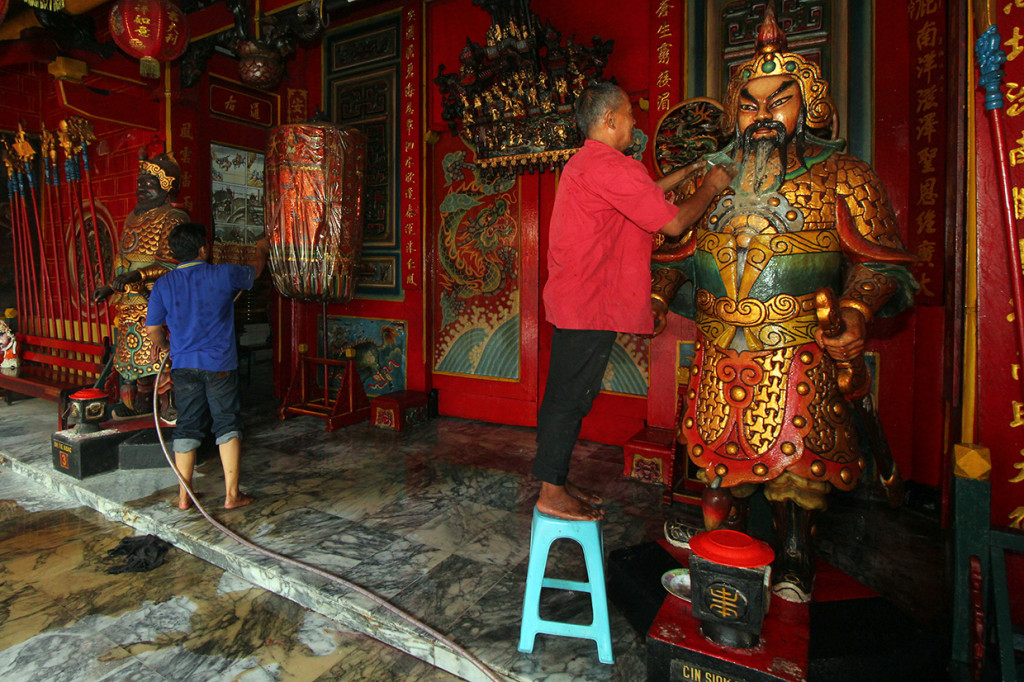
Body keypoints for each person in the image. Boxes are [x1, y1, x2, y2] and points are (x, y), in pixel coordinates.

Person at [652, 7, 918, 602]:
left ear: (808, 106)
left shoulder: (843, 177)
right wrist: (655, 295)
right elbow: (672, 250)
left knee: (797, 463)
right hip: (722, 344)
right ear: (734, 111)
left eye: (779, 101)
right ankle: (722, 551)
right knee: (718, 458)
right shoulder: (712, 180)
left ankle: (797, 553)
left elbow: (882, 267)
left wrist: (856, 311)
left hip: (798, 344)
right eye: (749, 103)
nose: (763, 115)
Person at [532, 82, 734, 521]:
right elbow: (677, 222)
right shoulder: (612, 167)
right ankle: (551, 491)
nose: (635, 122)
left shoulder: (589, 164)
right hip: (589, 303)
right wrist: (713, 185)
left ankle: (557, 482)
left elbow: (640, 196)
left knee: (565, 394)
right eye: (628, 114)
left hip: (578, 300)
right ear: (609, 120)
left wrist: (686, 173)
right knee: (571, 398)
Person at [144, 222, 269, 511]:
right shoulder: (222, 274)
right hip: (220, 366)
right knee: (227, 423)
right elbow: (256, 271)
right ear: (203, 249)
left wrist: (167, 348)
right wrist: (261, 248)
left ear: (175, 254)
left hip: (184, 366)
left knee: (187, 425)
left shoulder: (164, 284)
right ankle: (231, 495)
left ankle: (184, 497)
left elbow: (152, 329)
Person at [93, 151, 189, 418]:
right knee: (128, 359)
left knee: (159, 357)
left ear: (167, 186)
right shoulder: (132, 218)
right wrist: (111, 287)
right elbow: (124, 263)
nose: (141, 187)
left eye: (149, 182)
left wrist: (139, 277)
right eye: (140, 182)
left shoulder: (173, 218)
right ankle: (135, 405)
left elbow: (172, 264)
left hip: (155, 298)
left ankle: (168, 405)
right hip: (127, 303)